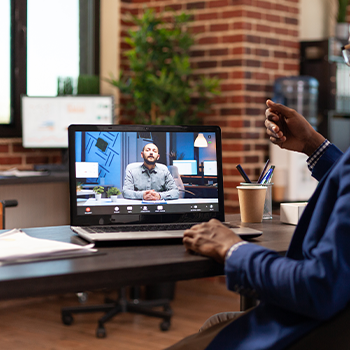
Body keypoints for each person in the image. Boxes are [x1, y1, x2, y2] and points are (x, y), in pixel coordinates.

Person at [166, 97, 350, 350]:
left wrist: (233, 249)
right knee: (216, 322)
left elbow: (319, 288)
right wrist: (312, 144)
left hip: (317, 331)